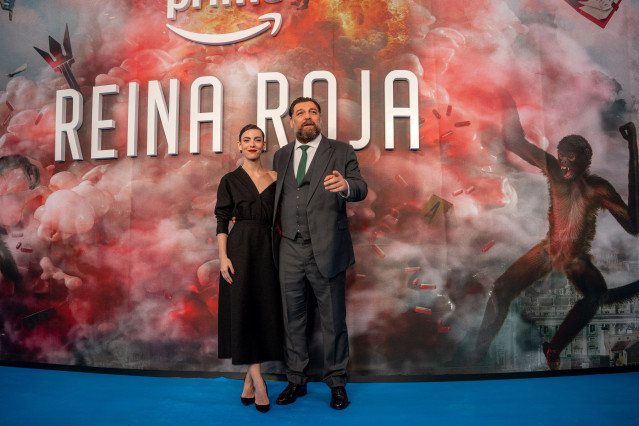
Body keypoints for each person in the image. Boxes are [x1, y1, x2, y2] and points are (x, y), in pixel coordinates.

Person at [272, 97, 367, 410]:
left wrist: (345, 187)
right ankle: (296, 380)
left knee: (333, 321)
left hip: (326, 248)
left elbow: (360, 186)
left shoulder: (340, 151)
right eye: (300, 113)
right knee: (293, 319)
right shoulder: (281, 155)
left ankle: (337, 383)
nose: (307, 117)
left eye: (312, 112)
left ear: (320, 118)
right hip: (289, 249)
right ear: (291, 122)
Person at [215, 124, 284, 413]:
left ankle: (247, 381)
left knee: (264, 311)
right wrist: (222, 257)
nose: (252, 143)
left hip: (270, 248)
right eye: (247, 140)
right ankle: (260, 381)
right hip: (240, 248)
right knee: (243, 309)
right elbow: (221, 220)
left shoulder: (278, 178)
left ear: (264, 145)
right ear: (239, 146)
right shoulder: (229, 179)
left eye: (258, 139)